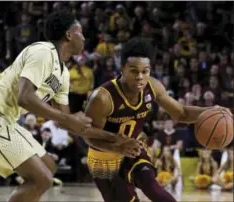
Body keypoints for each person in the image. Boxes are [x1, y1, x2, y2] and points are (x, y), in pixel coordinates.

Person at [0, 11, 141, 202]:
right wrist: (68, 119)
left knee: (48, 166)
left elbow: (69, 124)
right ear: (68, 35)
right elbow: (24, 97)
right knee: (41, 179)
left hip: (7, 121)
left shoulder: (63, 75)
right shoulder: (42, 52)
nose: (84, 38)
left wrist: (116, 141)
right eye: (80, 33)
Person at [84, 38, 232, 202]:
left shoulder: (152, 86)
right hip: (104, 159)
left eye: (145, 71)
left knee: (152, 187)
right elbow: (88, 135)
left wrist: (211, 111)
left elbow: (181, 113)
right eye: (134, 71)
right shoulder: (103, 97)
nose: (140, 76)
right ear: (122, 68)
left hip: (133, 146)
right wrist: (117, 145)